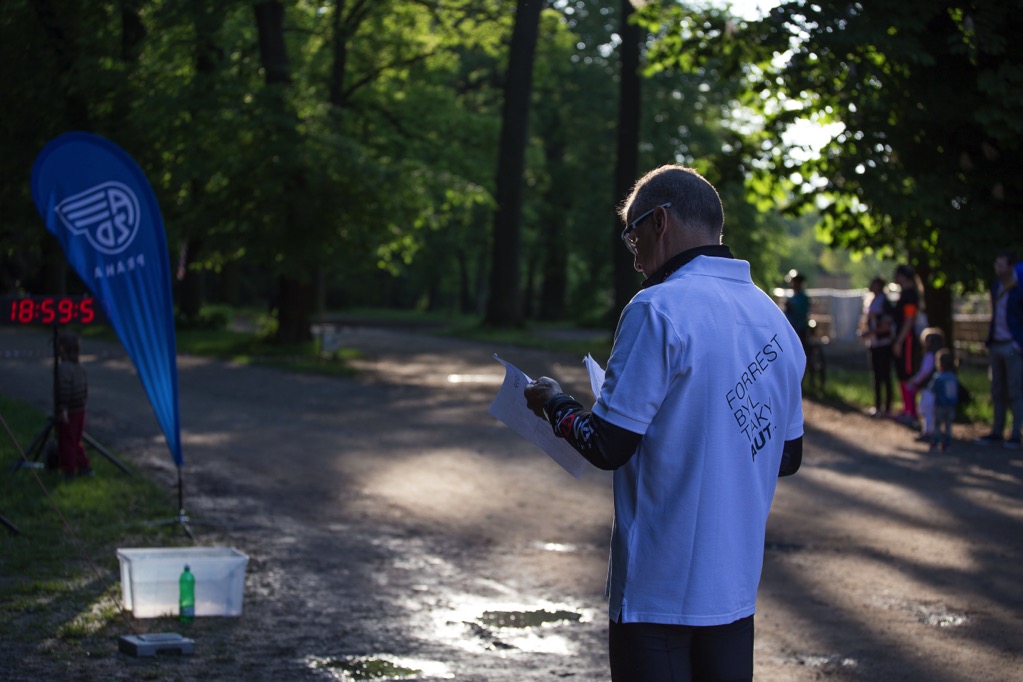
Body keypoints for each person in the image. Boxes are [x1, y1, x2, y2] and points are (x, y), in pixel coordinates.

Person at [523, 165, 805, 682]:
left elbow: (607, 445)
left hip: (657, 593)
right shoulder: (775, 322)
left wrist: (554, 403)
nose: (634, 257)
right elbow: (786, 456)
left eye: (634, 236)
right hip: (734, 592)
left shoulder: (657, 308)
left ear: (660, 222)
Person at [975, 251, 1023, 449]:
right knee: (997, 389)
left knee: (1015, 390)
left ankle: (1016, 433)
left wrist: (1018, 343)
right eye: (997, 265)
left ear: (1011, 267)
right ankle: (997, 430)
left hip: (1012, 344)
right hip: (996, 342)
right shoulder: (996, 286)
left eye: (1002, 265)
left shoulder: (1019, 287)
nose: (998, 269)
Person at [56, 332, 92, 479]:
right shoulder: (80, 367)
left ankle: (69, 469)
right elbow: (85, 388)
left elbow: (64, 389)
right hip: (80, 409)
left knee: (67, 441)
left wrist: (63, 408)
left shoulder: (64, 368)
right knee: (76, 439)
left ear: (63, 348)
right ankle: (84, 465)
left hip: (70, 411)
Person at [891, 264, 924, 424]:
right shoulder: (904, 294)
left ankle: (912, 412)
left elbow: (909, 320)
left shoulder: (910, 295)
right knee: (902, 373)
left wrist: (900, 341)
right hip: (902, 338)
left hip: (907, 339)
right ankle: (907, 408)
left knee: (908, 373)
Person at [861, 276, 895, 417]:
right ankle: (878, 405)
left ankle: (887, 407)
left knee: (885, 375)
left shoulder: (884, 303)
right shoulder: (872, 301)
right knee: (876, 375)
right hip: (874, 343)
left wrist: (872, 332)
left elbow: (887, 326)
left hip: (884, 343)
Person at [907, 328, 945, 441]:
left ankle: (928, 432)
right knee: (934, 410)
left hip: (928, 387)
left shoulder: (929, 356)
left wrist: (914, 381)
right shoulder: (940, 356)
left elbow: (924, 372)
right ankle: (934, 430)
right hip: (939, 389)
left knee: (926, 409)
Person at [929, 349, 959, 452]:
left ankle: (935, 442)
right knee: (948, 426)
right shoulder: (953, 377)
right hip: (951, 406)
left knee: (937, 425)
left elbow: (932, 389)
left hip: (940, 405)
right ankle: (947, 443)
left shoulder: (938, 377)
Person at [784, 270, 810, 350]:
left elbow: (801, 312)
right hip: (791, 328)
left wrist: (792, 306)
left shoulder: (803, 298)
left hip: (800, 328)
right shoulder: (792, 297)